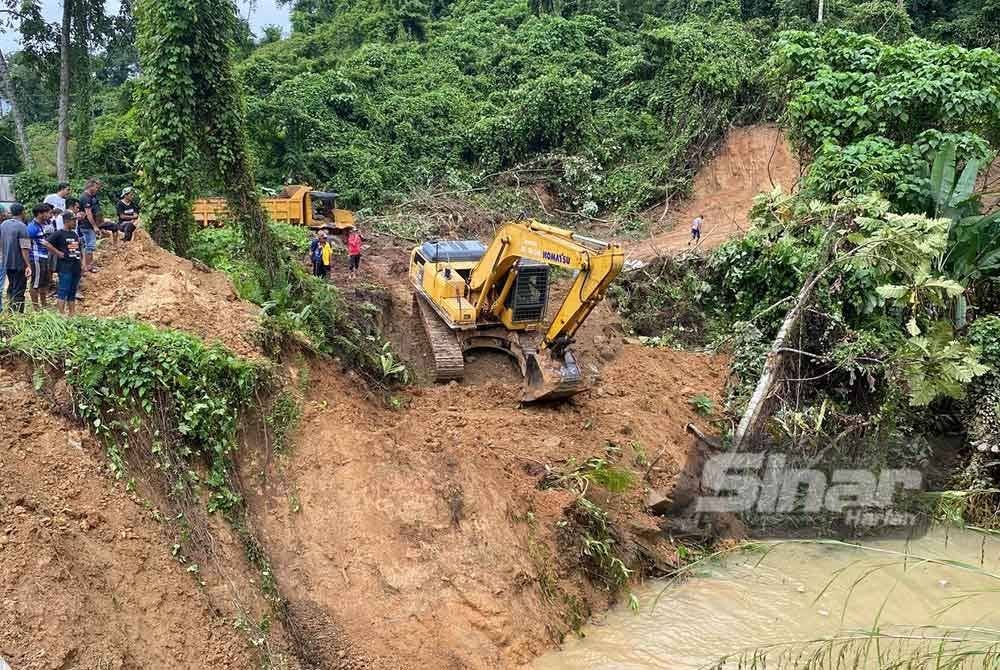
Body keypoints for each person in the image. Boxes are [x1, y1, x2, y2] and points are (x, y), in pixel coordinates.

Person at [48, 211, 83, 315]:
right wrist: (58, 252)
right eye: (73, 221)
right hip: (65, 267)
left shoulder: (74, 234)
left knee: (72, 291)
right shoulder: (59, 233)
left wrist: (82, 263)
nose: (75, 223)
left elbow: (80, 249)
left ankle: (72, 313)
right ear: (67, 221)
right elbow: (46, 242)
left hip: (75, 266)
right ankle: (61, 314)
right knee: (63, 290)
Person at [1, 203, 32, 312]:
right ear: (23, 212)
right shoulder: (22, 226)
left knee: (11, 286)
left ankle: (9, 311)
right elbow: (24, 248)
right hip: (19, 264)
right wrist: (28, 265)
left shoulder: (4, 224)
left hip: (7, 263)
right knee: (19, 290)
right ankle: (17, 314)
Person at [26, 204, 58, 310]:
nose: (50, 215)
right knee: (36, 283)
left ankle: (44, 304)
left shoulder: (42, 225)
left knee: (44, 282)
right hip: (36, 258)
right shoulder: (31, 228)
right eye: (48, 213)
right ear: (40, 214)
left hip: (43, 257)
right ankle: (36, 307)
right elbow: (25, 245)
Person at [78, 180, 102, 272]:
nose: (97, 189)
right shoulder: (85, 197)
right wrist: (94, 226)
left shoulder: (92, 196)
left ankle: (88, 265)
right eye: (96, 187)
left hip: (90, 225)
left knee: (88, 245)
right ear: (90, 187)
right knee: (90, 245)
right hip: (86, 225)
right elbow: (89, 214)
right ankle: (89, 266)